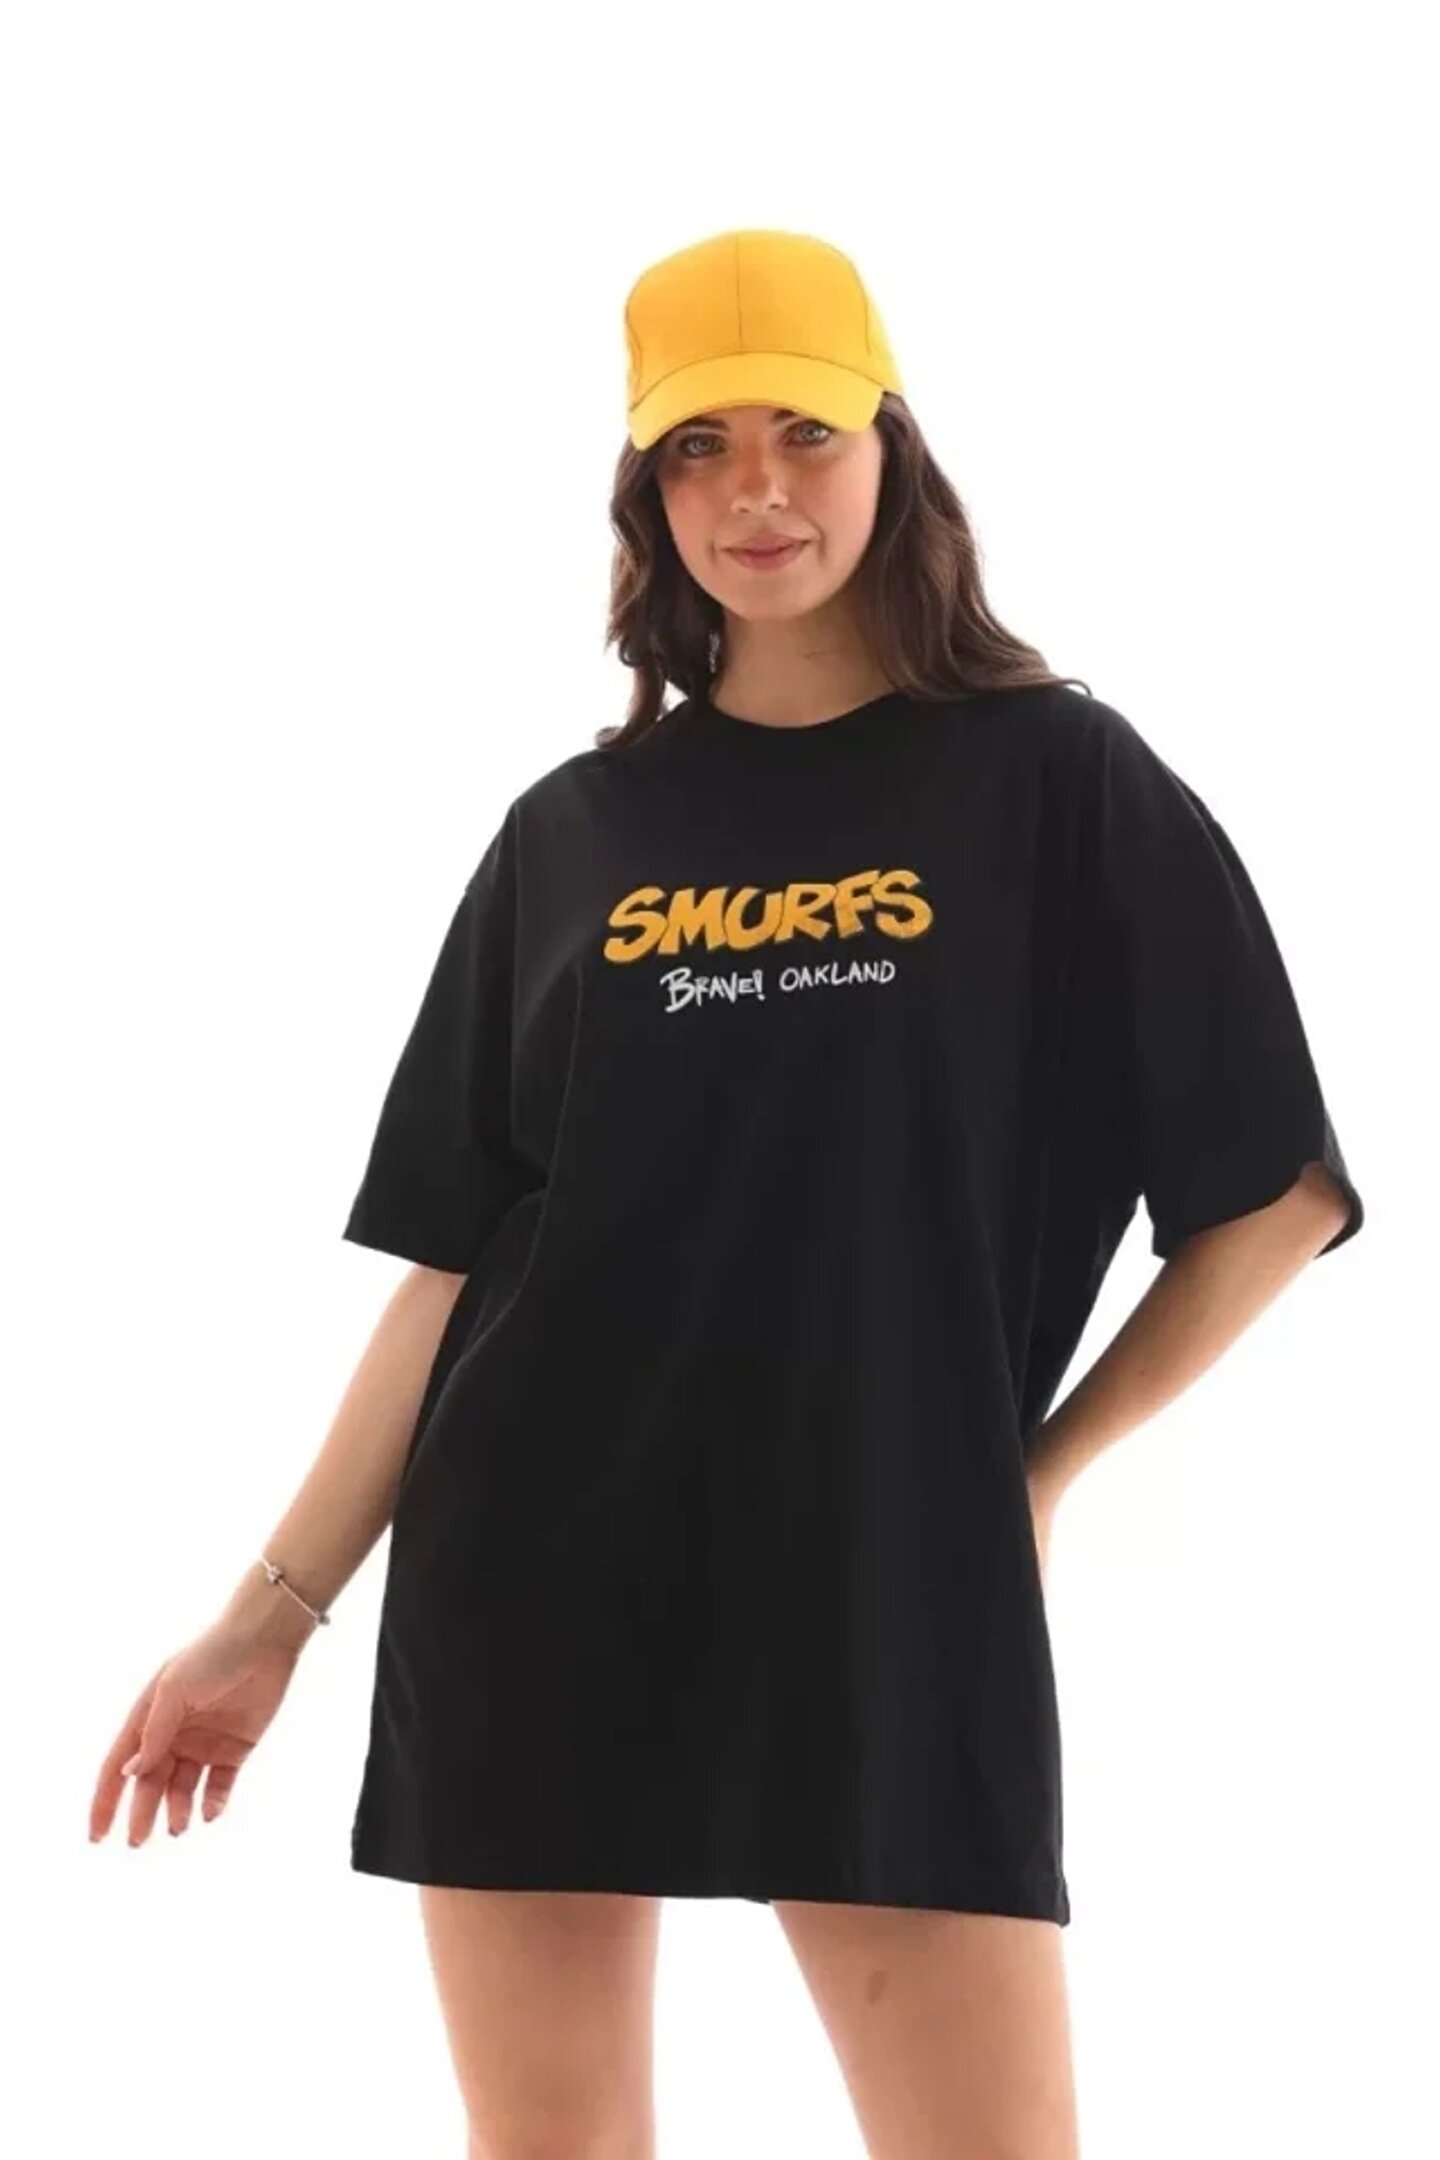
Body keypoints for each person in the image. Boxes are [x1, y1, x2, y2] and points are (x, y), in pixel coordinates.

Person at [89, 227, 1365, 2159]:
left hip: (880, 1583)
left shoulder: (1056, 781)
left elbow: (1271, 1195)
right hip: (535, 1575)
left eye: (803, 434)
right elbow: (455, 1262)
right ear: (647, 491)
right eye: (699, 447)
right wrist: (267, 1617)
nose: (756, 492)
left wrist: (1030, 1478)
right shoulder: (571, 834)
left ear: (892, 450)